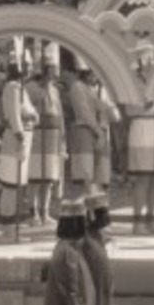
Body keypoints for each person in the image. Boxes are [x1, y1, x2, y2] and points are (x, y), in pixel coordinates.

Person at [125, 67, 154, 235]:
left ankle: (151, 220)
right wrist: (151, 104)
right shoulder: (132, 85)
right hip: (142, 132)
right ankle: (137, 223)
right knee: (143, 178)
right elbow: (130, 110)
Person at [25, 55, 66, 226]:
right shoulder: (30, 87)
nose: (52, 73)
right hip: (37, 134)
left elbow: (60, 115)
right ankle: (33, 213)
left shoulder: (55, 90)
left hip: (53, 135)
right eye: (49, 68)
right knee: (35, 176)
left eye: (53, 69)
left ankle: (45, 212)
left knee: (48, 177)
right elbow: (26, 108)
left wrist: (63, 140)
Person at [0, 62, 36, 220]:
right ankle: (8, 223)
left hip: (25, 135)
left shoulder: (21, 89)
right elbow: (14, 115)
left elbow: (29, 111)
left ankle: (13, 219)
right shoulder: (12, 87)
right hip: (16, 138)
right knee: (10, 182)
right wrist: (19, 136)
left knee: (17, 182)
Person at [66, 63, 102, 203]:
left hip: (94, 129)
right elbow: (84, 111)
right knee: (85, 165)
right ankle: (87, 195)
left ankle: (93, 194)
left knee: (95, 165)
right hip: (83, 127)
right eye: (93, 74)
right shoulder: (77, 87)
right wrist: (95, 128)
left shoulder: (93, 89)